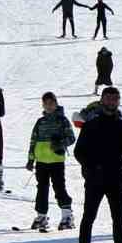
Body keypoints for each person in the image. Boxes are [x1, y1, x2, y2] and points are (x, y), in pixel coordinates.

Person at [73, 86, 122, 243]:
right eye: (108, 98)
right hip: (95, 179)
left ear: (118, 101)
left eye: (115, 99)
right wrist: (91, 168)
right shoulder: (91, 125)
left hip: (116, 179)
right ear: (102, 101)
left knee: (119, 220)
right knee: (88, 218)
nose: (111, 102)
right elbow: (79, 152)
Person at [26, 92, 77, 232]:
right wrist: (31, 159)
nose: (49, 106)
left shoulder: (62, 120)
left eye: (51, 103)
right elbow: (33, 140)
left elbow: (71, 138)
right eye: (46, 103)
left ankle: (67, 215)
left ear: (56, 103)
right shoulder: (40, 122)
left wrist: (60, 144)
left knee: (59, 187)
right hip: (41, 161)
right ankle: (41, 216)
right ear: (43, 105)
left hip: (56, 161)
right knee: (41, 188)